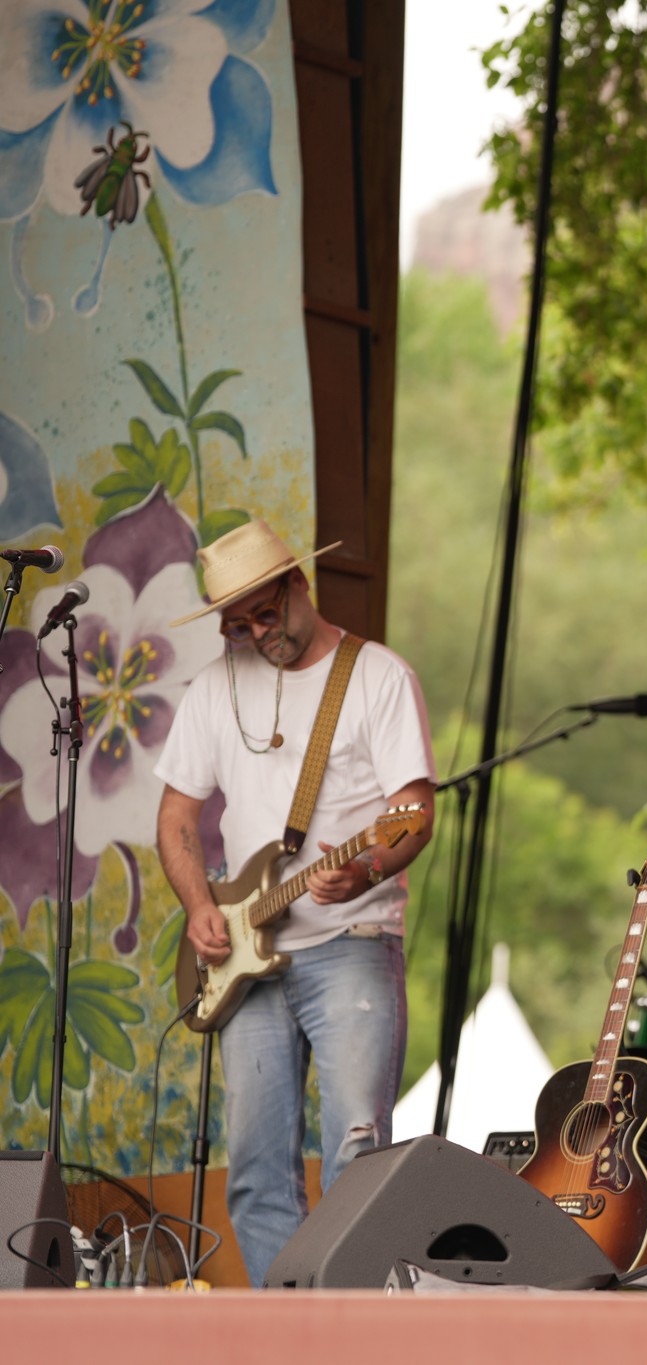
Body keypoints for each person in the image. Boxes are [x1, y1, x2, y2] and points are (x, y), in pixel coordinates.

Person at [154, 521, 435, 1286]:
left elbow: (414, 811)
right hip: (245, 957)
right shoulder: (215, 686)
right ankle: (287, 1324)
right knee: (255, 1170)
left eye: (264, 614)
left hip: (352, 939)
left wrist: (367, 867)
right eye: (236, 625)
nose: (255, 634)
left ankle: (351, 1322)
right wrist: (199, 905)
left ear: (299, 584)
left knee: (359, 1153)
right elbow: (176, 818)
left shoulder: (377, 677)